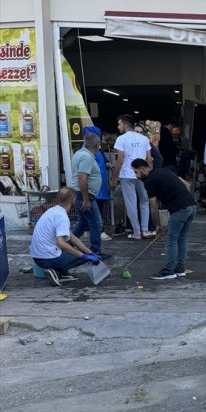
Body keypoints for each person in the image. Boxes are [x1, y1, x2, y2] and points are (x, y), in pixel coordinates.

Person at [132, 158, 197, 281]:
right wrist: (184, 200)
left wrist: (158, 225)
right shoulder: (165, 171)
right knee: (182, 238)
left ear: (142, 169)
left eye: (136, 172)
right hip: (191, 206)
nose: (136, 176)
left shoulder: (149, 181)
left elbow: (153, 206)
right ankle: (180, 269)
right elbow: (187, 185)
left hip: (180, 209)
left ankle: (168, 270)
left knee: (171, 239)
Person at [30, 187, 100, 286]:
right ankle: (54, 271)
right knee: (79, 254)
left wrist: (90, 252)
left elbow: (72, 237)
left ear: (58, 199)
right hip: (47, 258)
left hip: (37, 257)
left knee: (76, 249)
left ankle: (62, 273)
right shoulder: (62, 217)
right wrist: (84, 256)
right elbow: (61, 243)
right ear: (74, 200)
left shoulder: (53, 211)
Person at [112, 114, 154, 239]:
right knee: (144, 201)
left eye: (119, 124)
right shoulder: (144, 139)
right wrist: (149, 174)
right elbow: (149, 160)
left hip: (127, 174)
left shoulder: (121, 139)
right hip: (142, 175)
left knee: (131, 204)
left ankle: (136, 232)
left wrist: (114, 178)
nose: (118, 127)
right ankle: (145, 230)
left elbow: (119, 160)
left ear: (125, 124)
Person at [70, 128, 109, 259]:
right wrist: (86, 200)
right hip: (85, 196)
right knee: (96, 223)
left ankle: (68, 244)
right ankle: (95, 251)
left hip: (81, 194)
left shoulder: (79, 154)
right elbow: (82, 178)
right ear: (97, 145)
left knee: (83, 223)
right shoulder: (86, 157)